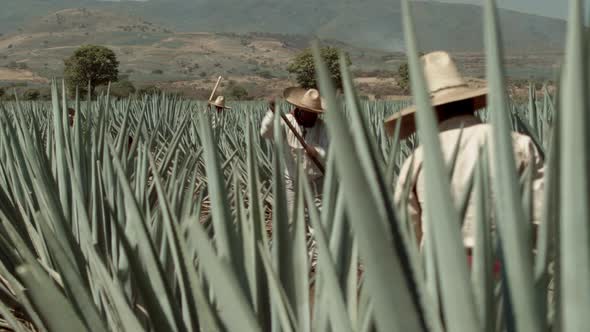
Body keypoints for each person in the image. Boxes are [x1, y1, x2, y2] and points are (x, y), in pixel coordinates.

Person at [386, 51, 544, 254]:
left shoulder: (418, 159)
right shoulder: (518, 144)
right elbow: (541, 215)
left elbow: (407, 231)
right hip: (509, 271)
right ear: (471, 102)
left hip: (442, 275)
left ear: (431, 111)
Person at [260, 87, 329, 213]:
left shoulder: (322, 127)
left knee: (319, 221)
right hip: (292, 182)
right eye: (308, 112)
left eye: (314, 113)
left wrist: (316, 151)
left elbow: (329, 151)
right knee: (293, 219)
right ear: (301, 109)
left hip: (316, 183)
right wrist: (272, 113)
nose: (311, 115)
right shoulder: (287, 121)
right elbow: (266, 133)